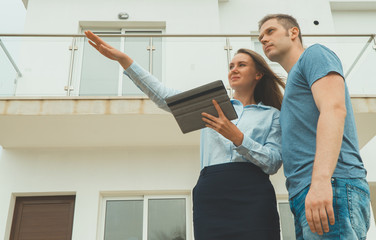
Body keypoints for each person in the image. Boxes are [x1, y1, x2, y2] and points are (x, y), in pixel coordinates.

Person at [85, 30, 285, 240]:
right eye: (231, 66)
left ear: (258, 74)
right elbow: (164, 97)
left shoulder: (272, 115)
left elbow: (273, 163)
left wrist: (238, 138)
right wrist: (125, 61)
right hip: (212, 194)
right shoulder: (211, 105)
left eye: (241, 65)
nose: (233, 70)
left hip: (254, 195)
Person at [258, 14, 370, 239]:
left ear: (293, 33)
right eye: (260, 37)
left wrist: (320, 181)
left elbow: (334, 109)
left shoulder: (314, 54)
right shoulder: (291, 86)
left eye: (270, 31)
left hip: (331, 185)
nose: (263, 39)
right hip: (306, 194)